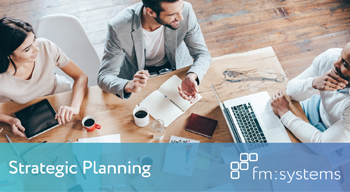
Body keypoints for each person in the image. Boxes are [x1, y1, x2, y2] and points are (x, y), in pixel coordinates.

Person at [97, 0, 211, 103]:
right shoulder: (119, 27)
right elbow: (104, 77)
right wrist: (129, 85)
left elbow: (202, 54)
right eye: (172, 15)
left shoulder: (186, 11)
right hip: (139, 80)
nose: (180, 17)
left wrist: (192, 75)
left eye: (180, 9)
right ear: (150, 12)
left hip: (178, 71)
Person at [0, 17, 88, 138]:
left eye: (34, 40)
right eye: (27, 49)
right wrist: (10, 120)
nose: (37, 49)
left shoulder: (45, 46)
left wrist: (74, 107)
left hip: (62, 95)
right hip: (30, 112)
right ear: (8, 55)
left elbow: (81, 76)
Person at [271, 42, 350, 143]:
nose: (335, 63)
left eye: (345, 64)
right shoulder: (331, 57)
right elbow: (290, 91)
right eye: (341, 55)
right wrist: (314, 82)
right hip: (315, 109)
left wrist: (284, 114)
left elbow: (321, 144)